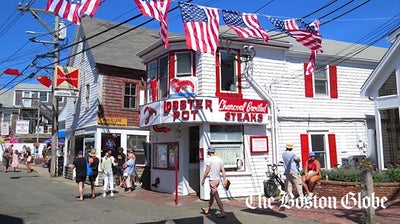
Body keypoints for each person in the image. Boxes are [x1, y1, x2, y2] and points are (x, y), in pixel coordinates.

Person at [201, 146, 227, 218]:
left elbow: (207, 171)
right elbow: (223, 170)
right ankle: (207, 208)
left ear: (209, 152)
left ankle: (223, 212)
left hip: (212, 181)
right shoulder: (219, 159)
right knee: (211, 195)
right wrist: (224, 179)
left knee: (216, 197)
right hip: (218, 180)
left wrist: (203, 179)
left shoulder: (209, 160)